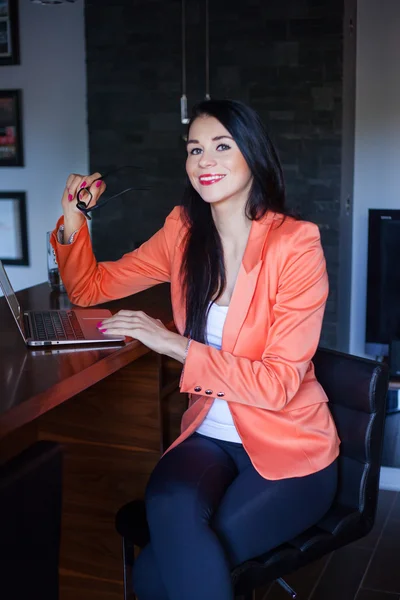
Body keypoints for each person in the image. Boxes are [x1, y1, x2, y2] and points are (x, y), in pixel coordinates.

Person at [51, 99, 340, 600]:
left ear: (253, 155)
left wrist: (173, 344)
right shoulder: (183, 232)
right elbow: (90, 288)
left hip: (290, 451)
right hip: (208, 434)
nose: (205, 161)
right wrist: (73, 219)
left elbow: (276, 386)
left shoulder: (296, 245)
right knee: (166, 517)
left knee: (158, 576)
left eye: (222, 146)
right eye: (194, 149)